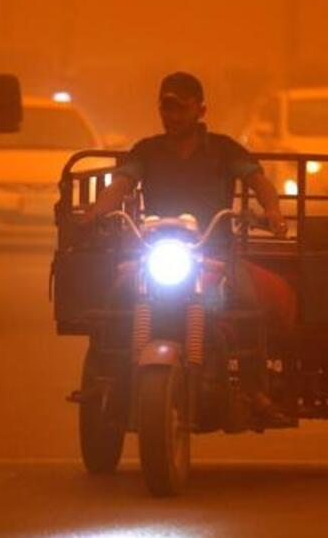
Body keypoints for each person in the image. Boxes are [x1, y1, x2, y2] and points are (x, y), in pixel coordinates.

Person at [84, 71, 295, 419]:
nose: (172, 116)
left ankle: (255, 389)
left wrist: (272, 211)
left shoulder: (225, 150)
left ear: (201, 110)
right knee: (114, 300)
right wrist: (95, 212)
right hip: (155, 253)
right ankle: (105, 376)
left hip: (215, 255)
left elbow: (260, 182)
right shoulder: (147, 151)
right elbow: (120, 184)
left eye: (179, 109)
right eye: (166, 108)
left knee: (247, 303)